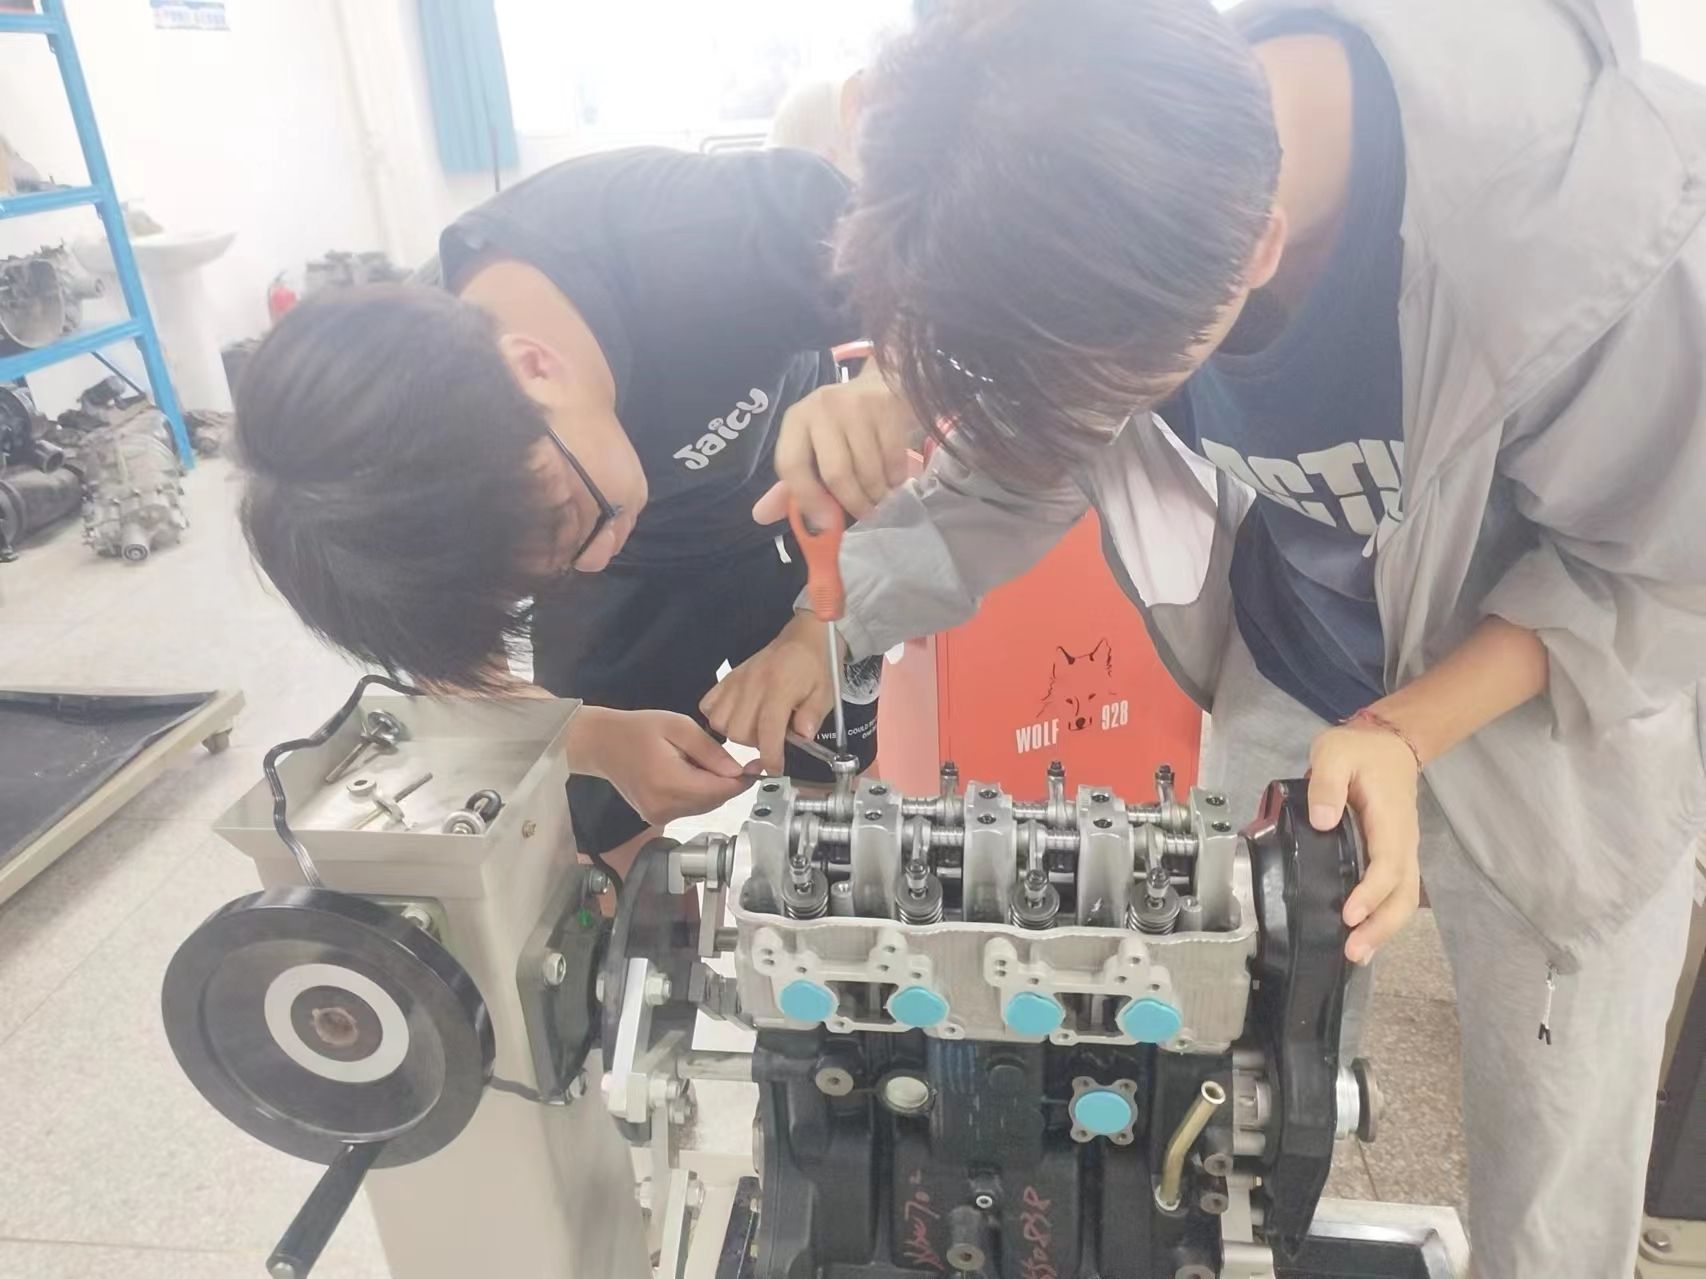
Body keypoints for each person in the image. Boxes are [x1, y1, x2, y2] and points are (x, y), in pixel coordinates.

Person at [703, 1, 1706, 1273]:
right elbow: (1018, 468)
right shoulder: (1128, 157)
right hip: (1297, 662)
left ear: (1259, 250)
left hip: (1556, 709)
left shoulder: (1608, 238)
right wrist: (825, 623)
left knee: (1550, 1158)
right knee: (1228, 1071)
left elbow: (1653, 580)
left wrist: (1404, 731)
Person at [233, 145, 917, 866]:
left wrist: (886, 391)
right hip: (632, 582)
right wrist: (592, 739)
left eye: (570, 519)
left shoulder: (711, 234)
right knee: (603, 852)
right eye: (544, 573)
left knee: (839, 815)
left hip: (790, 499)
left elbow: (941, 275)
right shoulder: (404, 494)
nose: (594, 558)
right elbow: (458, 673)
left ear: (534, 367)